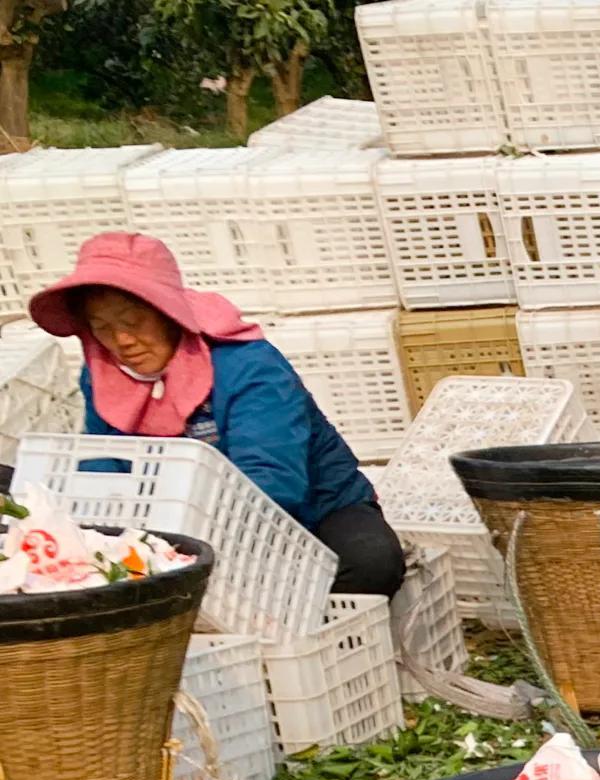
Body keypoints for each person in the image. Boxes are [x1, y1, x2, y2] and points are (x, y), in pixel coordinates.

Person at [27, 231, 403, 597]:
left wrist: (197, 551)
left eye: (133, 321)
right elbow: (105, 468)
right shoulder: (103, 376)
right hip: (172, 526)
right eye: (103, 328)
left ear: (168, 313)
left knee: (370, 563)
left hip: (312, 509)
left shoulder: (247, 365)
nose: (122, 341)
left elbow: (273, 480)